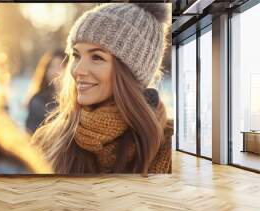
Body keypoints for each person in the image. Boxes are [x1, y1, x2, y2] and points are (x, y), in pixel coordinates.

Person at [31, 3, 173, 175]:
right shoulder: (46, 141)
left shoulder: (167, 146)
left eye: (96, 57)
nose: (77, 70)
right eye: (76, 55)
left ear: (130, 72)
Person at [25, 50, 67, 133]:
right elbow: (31, 133)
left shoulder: (80, 99)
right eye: (52, 66)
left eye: (61, 66)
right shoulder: (37, 101)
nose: (56, 71)